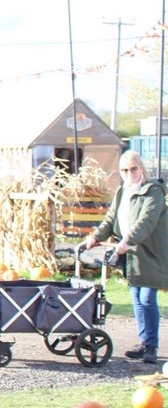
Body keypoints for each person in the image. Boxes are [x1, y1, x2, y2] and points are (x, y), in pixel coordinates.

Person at [82, 149, 168, 363]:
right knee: (137, 298)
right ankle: (143, 341)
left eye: (133, 169)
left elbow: (146, 221)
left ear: (141, 169)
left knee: (147, 298)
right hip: (131, 254)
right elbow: (111, 220)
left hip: (152, 252)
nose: (130, 173)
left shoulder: (153, 191)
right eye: (124, 170)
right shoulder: (123, 191)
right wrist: (95, 237)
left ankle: (151, 346)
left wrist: (126, 241)